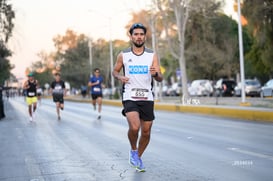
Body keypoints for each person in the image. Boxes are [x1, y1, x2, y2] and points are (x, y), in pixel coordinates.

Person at [112, 23, 163, 172]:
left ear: (144, 37)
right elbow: (114, 71)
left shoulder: (152, 55)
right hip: (130, 95)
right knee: (135, 127)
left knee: (146, 132)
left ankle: (137, 157)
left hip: (147, 96)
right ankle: (133, 149)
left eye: (141, 34)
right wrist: (119, 77)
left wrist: (155, 74)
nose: (139, 37)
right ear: (131, 36)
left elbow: (160, 77)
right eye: (136, 34)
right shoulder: (123, 55)